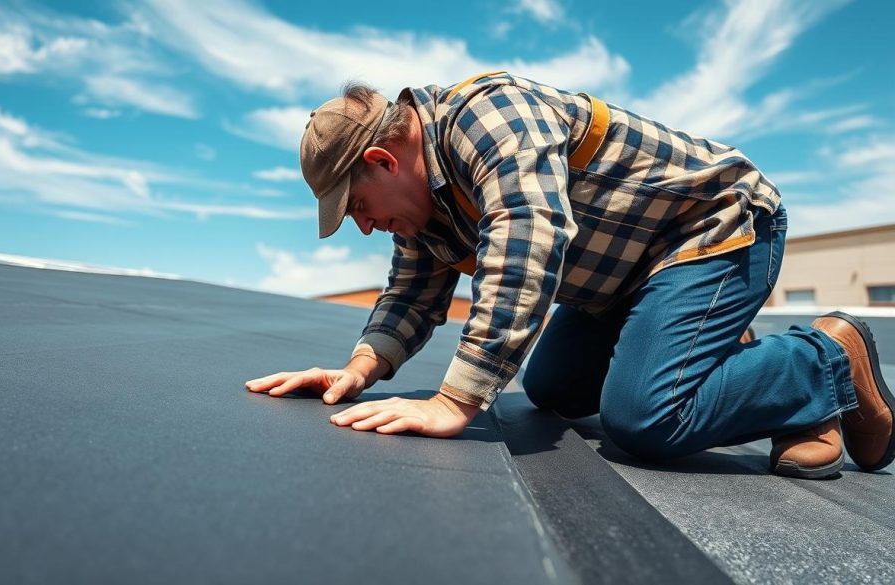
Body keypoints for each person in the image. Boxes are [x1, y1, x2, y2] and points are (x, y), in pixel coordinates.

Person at [244, 71, 893, 479]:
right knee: (550, 384)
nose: (363, 226)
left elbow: (527, 241)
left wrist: (456, 400)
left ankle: (824, 358)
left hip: (712, 228)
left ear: (384, 161)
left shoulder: (491, 118)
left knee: (643, 419)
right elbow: (411, 291)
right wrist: (357, 369)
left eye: (357, 207)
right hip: (624, 279)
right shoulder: (426, 209)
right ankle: (756, 377)